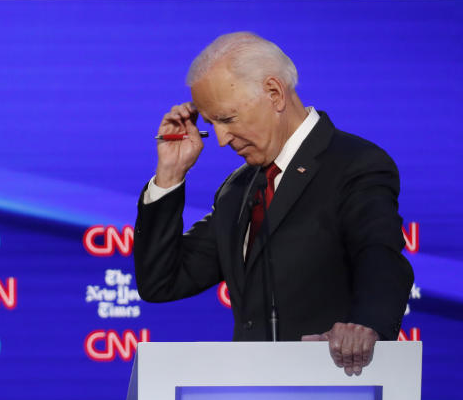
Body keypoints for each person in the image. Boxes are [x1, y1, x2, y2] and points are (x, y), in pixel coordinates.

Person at [134, 32, 413, 375]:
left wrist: (366, 327)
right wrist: (169, 175)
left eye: (227, 119)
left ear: (274, 93)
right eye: (211, 125)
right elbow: (162, 281)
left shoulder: (354, 163)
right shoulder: (238, 188)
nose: (220, 141)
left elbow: (380, 255)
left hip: (337, 395)